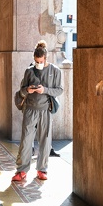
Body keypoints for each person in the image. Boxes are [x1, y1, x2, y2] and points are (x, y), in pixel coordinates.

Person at [12, 40, 63, 182]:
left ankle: (42, 169)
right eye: (36, 61)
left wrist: (44, 90)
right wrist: (27, 90)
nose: (38, 63)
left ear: (46, 58)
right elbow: (21, 91)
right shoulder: (29, 71)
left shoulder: (55, 71)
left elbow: (59, 90)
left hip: (45, 110)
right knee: (26, 141)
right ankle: (21, 170)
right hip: (30, 109)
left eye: (40, 61)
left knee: (45, 140)